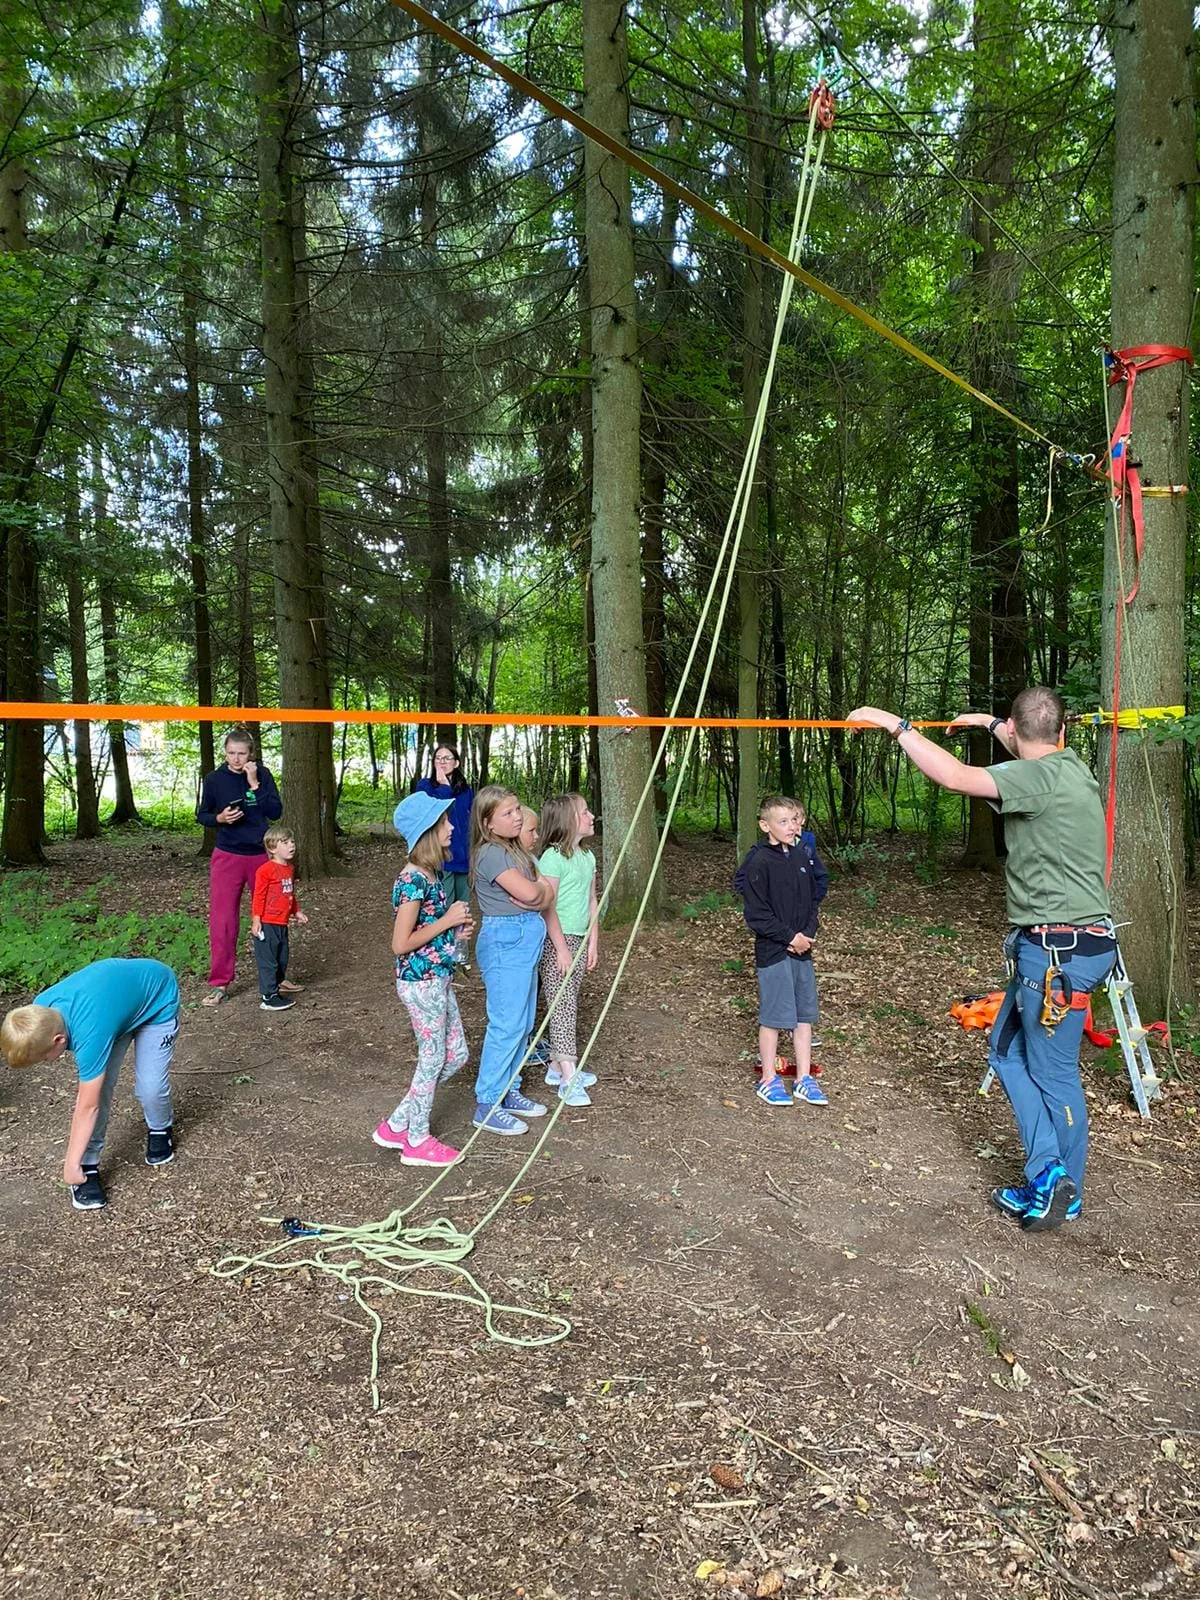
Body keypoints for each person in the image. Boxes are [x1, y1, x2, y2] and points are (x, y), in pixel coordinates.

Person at [849, 687, 1116, 1231]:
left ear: (1020, 736)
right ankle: (1051, 1174)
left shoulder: (1032, 780)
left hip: (1057, 956)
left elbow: (953, 776)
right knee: (1005, 1049)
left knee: (1053, 1071)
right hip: (1060, 948)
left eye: (1009, 732)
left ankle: (1063, 1183)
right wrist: (989, 721)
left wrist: (893, 724)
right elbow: (1029, 741)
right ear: (1061, 734)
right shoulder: (1072, 767)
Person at [0, 958, 181, 1212]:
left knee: (149, 1087)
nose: (45, 1062)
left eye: (44, 1057)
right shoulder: (38, 1013)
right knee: (101, 1084)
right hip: (116, 1011)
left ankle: (161, 1129)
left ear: (59, 1040)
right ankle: (88, 1164)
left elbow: (88, 1107)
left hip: (156, 998)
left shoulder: (90, 1033)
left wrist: (68, 1163)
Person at [372, 793, 474, 1167]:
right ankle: (416, 1140)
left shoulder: (432, 873)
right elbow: (400, 944)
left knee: (456, 1055)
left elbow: (425, 932)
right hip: (420, 983)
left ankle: (396, 1124)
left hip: (438, 977)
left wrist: (452, 935)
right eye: (444, 822)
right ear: (427, 831)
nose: (451, 827)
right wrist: (446, 921)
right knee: (431, 1060)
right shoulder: (412, 880)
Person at [469, 785, 555, 1136]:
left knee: (521, 1023)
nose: (518, 816)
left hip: (522, 941)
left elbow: (545, 893)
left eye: (518, 809)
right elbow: (535, 892)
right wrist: (541, 894)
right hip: (505, 941)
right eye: (507, 813)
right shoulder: (491, 853)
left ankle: (509, 1089)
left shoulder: (516, 851)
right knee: (506, 1024)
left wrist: (542, 894)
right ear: (488, 823)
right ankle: (487, 1103)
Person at [734, 795, 827, 1108]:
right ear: (765, 826)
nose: (791, 826)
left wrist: (806, 935)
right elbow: (757, 914)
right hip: (774, 951)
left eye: (794, 820)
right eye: (782, 821)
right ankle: (769, 1080)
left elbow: (813, 900)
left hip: (802, 950)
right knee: (775, 1016)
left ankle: (803, 1078)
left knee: (803, 1016)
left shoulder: (802, 855)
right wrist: (788, 937)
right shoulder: (759, 860)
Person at [196, 726, 283, 1006]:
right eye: (231, 753)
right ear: (225, 752)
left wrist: (254, 782)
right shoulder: (214, 779)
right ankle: (220, 982)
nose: (236, 759)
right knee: (223, 920)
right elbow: (202, 814)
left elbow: (275, 812)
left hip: (261, 855)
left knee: (271, 917)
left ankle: (276, 979)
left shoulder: (263, 775)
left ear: (251, 754)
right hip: (227, 856)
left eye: (241, 753)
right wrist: (220, 818)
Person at [536, 793, 600, 1107]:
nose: (591, 816)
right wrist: (561, 948)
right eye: (585, 811)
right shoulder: (551, 858)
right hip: (556, 941)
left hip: (579, 938)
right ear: (568, 820)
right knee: (562, 1007)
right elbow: (548, 908)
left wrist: (593, 941)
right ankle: (568, 1077)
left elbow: (591, 902)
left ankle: (554, 1066)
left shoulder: (587, 858)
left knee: (567, 1000)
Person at [415, 744, 475, 966]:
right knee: (444, 905)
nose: (441, 761)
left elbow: (471, 821)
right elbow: (434, 811)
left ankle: (460, 951)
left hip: (464, 857)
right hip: (441, 857)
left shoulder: (465, 790)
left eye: (447, 758)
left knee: (463, 905)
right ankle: (442, 949)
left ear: (457, 763)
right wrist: (443, 786)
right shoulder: (425, 787)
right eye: (438, 758)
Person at [251, 825, 310, 1013]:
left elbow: (289, 893)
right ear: (272, 848)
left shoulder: (289, 868)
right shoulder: (265, 870)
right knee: (268, 960)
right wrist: (257, 919)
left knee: (282, 958)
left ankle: (276, 988)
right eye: (285, 843)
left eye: (292, 841)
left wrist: (296, 911)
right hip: (267, 923)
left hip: (282, 923)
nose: (291, 845)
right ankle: (268, 997)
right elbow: (259, 896)